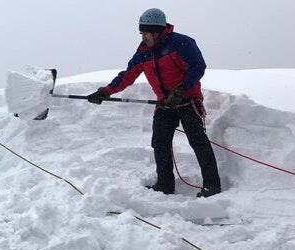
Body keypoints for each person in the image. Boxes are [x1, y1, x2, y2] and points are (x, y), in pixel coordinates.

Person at [86, 8, 221, 198]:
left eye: (145, 33)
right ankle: (165, 185)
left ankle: (212, 185)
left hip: (188, 101)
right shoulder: (144, 52)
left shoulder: (181, 43)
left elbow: (198, 66)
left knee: (197, 141)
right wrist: (106, 91)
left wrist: (182, 89)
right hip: (165, 104)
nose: (143, 37)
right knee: (159, 143)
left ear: (156, 32)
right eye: (141, 33)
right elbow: (128, 75)